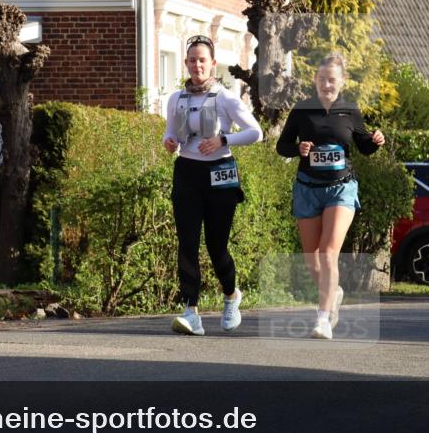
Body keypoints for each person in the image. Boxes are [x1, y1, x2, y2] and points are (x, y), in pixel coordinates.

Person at [275, 53, 385, 339]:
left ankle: (323, 318)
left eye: (332, 80)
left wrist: (375, 141)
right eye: (322, 79)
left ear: (342, 81)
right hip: (307, 187)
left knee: (327, 254)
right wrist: (298, 149)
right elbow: (282, 145)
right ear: (315, 79)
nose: (326, 85)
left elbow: (363, 146)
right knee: (312, 261)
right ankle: (333, 291)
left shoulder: (349, 110)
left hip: (341, 186)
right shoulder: (302, 109)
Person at [162, 35, 263, 335]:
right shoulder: (176, 98)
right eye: (192, 60)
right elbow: (171, 134)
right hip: (187, 172)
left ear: (212, 64)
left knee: (216, 246)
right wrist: (168, 142)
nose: (197, 65)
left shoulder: (226, 97)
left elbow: (255, 132)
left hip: (220, 173)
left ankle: (231, 296)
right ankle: (191, 311)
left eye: (202, 60)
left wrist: (223, 139)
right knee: (187, 243)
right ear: (186, 63)